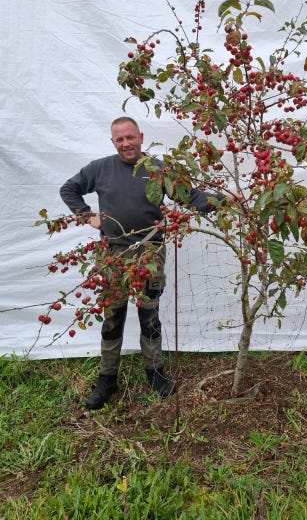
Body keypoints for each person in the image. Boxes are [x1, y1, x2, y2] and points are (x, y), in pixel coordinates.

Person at [60, 116, 225, 410]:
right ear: (113, 142)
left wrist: (224, 199)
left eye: (130, 137)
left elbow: (192, 198)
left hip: (150, 252)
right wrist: (87, 216)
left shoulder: (159, 170)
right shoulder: (100, 169)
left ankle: (155, 372)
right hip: (113, 254)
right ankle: (107, 378)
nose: (126, 144)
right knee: (113, 316)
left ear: (141, 137)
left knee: (149, 314)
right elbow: (68, 189)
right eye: (120, 139)